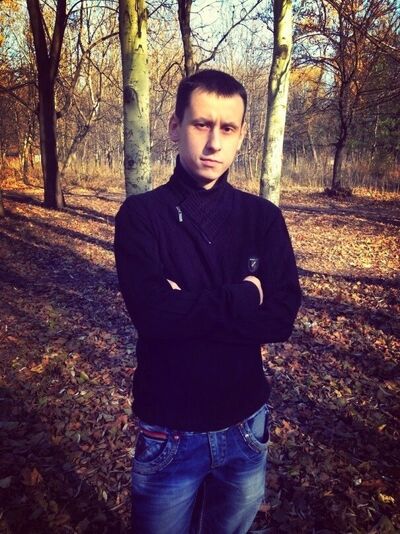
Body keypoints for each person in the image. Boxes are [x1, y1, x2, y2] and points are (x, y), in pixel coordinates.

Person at [114, 69, 301, 534]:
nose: (214, 143)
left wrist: (186, 304)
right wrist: (245, 295)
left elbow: (280, 319)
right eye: (202, 124)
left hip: (245, 426)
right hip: (169, 429)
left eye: (228, 128)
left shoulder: (263, 219)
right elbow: (153, 317)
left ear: (242, 136)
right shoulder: (141, 217)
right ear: (175, 127)